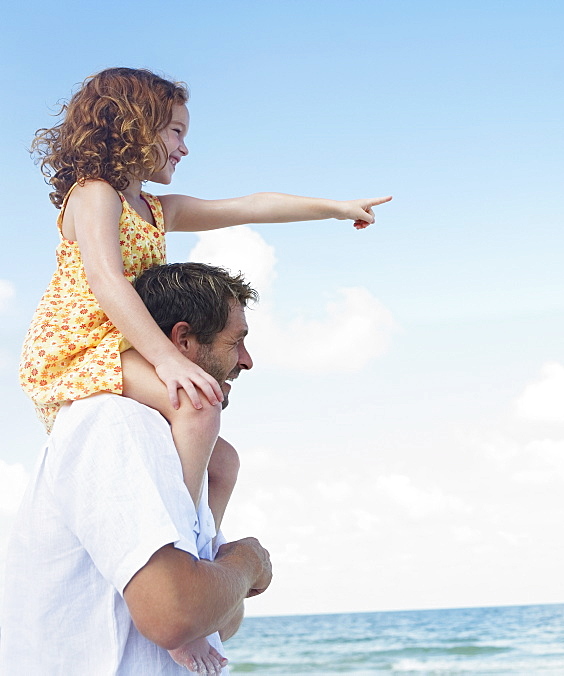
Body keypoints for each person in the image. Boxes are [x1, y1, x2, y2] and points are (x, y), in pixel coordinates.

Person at [17, 67, 389, 671]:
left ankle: (201, 562)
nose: (185, 148)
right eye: (175, 132)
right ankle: (184, 580)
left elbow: (243, 206)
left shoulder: (156, 210)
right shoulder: (95, 193)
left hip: (127, 346)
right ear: (134, 126)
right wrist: (167, 361)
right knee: (198, 401)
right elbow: (108, 283)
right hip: (81, 350)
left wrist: (332, 206)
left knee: (223, 460)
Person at [1, 261, 271, 674]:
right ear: (182, 339)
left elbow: (220, 619)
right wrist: (247, 561)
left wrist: (218, 581)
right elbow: (175, 614)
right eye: (236, 342)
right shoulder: (115, 422)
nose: (247, 361)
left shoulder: (174, 445)